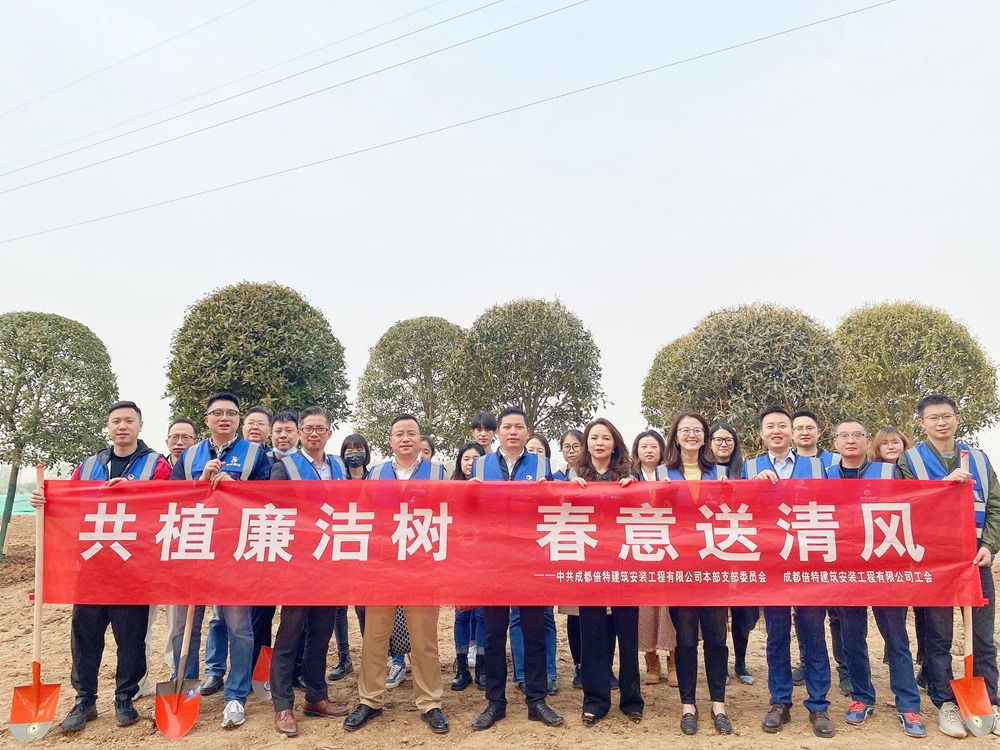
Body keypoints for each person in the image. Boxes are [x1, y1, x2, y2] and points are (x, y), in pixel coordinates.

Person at [30, 401, 171, 733]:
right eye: (116, 421)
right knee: (86, 637)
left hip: (134, 568)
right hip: (92, 567)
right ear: (108, 426)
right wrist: (44, 500)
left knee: (131, 638)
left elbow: (169, 501)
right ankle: (85, 700)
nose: (122, 426)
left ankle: (125, 697)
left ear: (140, 426)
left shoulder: (156, 465)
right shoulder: (89, 465)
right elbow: (69, 503)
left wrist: (134, 491)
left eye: (129, 421)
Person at [897, 394, 1000, 739]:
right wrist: (941, 488)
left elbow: (996, 506)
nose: (941, 423)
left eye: (946, 416)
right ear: (921, 423)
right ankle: (945, 703)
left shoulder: (979, 459)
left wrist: (989, 546)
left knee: (982, 637)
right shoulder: (910, 460)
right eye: (933, 418)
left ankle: (989, 702)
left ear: (957, 418)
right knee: (939, 637)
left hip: (976, 561)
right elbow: (906, 504)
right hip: (937, 564)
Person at [170, 391, 271, 730]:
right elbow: (171, 501)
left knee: (239, 627)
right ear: (207, 420)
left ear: (239, 420)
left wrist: (237, 488)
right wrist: (199, 484)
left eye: (230, 413)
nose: (224, 418)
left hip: (234, 555)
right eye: (217, 413)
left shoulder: (256, 454)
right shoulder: (189, 456)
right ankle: (185, 691)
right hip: (193, 552)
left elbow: (270, 500)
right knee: (184, 627)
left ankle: (235, 696)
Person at [344, 414, 449, 734]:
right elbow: (364, 515)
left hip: (422, 565)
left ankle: (430, 702)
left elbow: (450, 513)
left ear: (421, 440)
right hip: (383, 566)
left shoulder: (438, 472)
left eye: (411, 433)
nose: (405, 438)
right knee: (375, 637)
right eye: (399, 434)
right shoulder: (375, 473)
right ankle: (370, 700)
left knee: (424, 639)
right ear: (390, 441)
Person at [827, 419, 926, 738]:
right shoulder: (825, 475)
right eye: (844, 436)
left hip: (885, 568)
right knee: (852, 638)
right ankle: (861, 697)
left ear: (868, 441)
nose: (851, 440)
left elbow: (920, 500)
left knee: (896, 638)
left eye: (857, 435)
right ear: (835, 442)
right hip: (846, 570)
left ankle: (908, 704)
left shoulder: (888, 471)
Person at [469, 410, 563, 730]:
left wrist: (554, 490)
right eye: (507, 427)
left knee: (534, 632)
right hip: (493, 560)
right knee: (494, 634)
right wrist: (470, 493)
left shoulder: (542, 465)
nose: (512, 432)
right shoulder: (480, 465)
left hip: (530, 559)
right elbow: (468, 509)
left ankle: (537, 700)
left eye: (518, 427)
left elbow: (555, 506)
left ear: (528, 431)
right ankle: (495, 703)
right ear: (498, 432)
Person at [743, 406, 834, 738]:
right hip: (771, 566)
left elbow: (836, 505)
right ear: (762, 433)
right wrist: (752, 488)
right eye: (770, 426)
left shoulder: (818, 465)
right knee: (776, 636)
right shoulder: (750, 468)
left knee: (813, 635)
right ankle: (780, 702)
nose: (777, 431)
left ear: (792, 432)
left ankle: (819, 705)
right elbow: (737, 512)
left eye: (783, 425)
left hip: (808, 562)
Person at [269, 406, 350, 737]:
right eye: (308, 428)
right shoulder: (284, 467)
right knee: (290, 634)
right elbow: (275, 513)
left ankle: (316, 697)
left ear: (329, 433)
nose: (314, 433)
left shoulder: (339, 467)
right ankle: (283, 705)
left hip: (331, 561)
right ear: (300, 433)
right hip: (298, 563)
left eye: (320, 428)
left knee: (321, 632)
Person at [570, 418, 644, 726]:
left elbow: (649, 511)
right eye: (594, 438)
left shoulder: (630, 476)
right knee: (593, 634)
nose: (599, 443)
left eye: (605, 438)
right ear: (586, 444)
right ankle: (595, 700)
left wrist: (636, 491)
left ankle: (631, 699)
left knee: (628, 634)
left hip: (623, 564)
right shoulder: (573, 476)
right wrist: (568, 492)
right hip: (589, 566)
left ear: (615, 444)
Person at [663, 411, 731, 735]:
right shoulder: (661, 473)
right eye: (685, 430)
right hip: (679, 569)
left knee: (717, 638)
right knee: (686, 639)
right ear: (675, 437)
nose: (691, 435)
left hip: (714, 567)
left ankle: (719, 703)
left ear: (705, 437)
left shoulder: (722, 472)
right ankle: (688, 705)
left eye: (697, 430)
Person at [789, 409, 849, 696]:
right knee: (803, 612)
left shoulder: (836, 461)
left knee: (838, 613)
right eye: (799, 428)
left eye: (809, 428)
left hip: (834, 545)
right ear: (792, 434)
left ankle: (845, 668)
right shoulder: (786, 465)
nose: (804, 432)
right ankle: (805, 661)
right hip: (799, 546)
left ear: (819, 432)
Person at [148, 418, 199, 691]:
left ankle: (175, 671)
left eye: (186, 438)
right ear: (166, 440)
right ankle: (139, 680)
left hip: (184, 553)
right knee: (144, 619)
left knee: (178, 622)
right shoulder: (156, 468)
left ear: (195, 442)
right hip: (150, 552)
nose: (180, 442)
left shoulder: (199, 468)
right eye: (175, 437)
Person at [708, 422, 758, 685]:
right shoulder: (703, 472)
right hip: (711, 549)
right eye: (718, 440)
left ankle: (741, 662)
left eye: (728, 440)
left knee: (743, 612)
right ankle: (720, 666)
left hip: (742, 547)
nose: (723, 444)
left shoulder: (746, 469)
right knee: (717, 613)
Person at [630, 429, 677, 688]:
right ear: (636, 451)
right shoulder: (628, 477)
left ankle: (673, 661)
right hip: (638, 548)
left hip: (668, 548)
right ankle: (651, 661)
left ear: (662, 450)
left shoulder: (672, 475)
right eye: (644, 446)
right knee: (644, 606)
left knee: (669, 606)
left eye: (654, 446)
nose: (649, 451)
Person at [328, 433, 371, 682]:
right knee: (338, 607)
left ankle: (369, 658)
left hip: (367, 549)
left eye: (359, 449)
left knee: (364, 607)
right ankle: (344, 658)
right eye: (349, 450)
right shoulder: (337, 479)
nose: (354, 454)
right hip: (340, 546)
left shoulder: (375, 477)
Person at [449, 442, 486, 692]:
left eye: (475, 458)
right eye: (465, 458)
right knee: (462, 614)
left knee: (482, 614)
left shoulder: (491, 487)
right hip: (459, 560)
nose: (470, 462)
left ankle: (482, 666)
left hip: (484, 560)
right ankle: (461, 667)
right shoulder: (450, 488)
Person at [553, 429, 586, 687]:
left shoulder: (595, 475)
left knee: (604, 612)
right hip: (569, 549)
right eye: (567, 446)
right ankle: (579, 666)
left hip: (596, 548)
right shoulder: (555, 478)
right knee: (574, 613)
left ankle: (604, 667)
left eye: (576, 446)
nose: (572, 451)